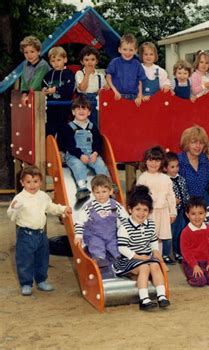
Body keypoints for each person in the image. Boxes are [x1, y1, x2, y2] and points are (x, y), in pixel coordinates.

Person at [7, 166, 71, 296]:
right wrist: (14, 209)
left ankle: (41, 280)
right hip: (25, 234)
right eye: (28, 182)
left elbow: (50, 207)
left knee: (42, 258)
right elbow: (10, 215)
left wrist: (63, 209)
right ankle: (26, 283)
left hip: (41, 234)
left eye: (35, 181)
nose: (32, 185)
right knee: (25, 260)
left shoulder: (43, 196)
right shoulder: (19, 198)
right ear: (22, 183)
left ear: (41, 182)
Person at [112, 186, 170, 311]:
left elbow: (153, 241)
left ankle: (161, 296)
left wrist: (156, 253)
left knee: (154, 266)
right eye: (137, 209)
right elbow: (122, 248)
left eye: (145, 210)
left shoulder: (150, 224)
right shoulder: (125, 227)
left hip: (146, 257)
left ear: (149, 212)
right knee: (144, 267)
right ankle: (144, 299)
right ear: (130, 209)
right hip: (129, 259)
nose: (141, 213)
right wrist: (139, 257)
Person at [57, 95, 110, 201]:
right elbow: (69, 145)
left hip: (91, 154)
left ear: (89, 112)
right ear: (73, 112)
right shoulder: (69, 127)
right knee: (78, 166)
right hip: (74, 155)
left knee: (100, 164)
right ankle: (82, 188)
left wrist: (95, 153)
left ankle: (106, 185)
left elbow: (97, 142)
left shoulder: (92, 126)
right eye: (78, 108)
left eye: (84, 108)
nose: (81, 110)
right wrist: (80, 155)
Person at [74, 174, 128, 277]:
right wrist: (78, 236)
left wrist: (126, 233)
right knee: (96, 245)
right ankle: (100, 262)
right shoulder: (89, 207)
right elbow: (80, 222)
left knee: (116, 246)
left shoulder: (115, 205)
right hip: (96, 235)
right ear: (93, 193)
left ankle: (118, 261)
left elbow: (124, 220)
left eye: (104, 192)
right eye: (97, 192)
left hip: (111, 235)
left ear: (110, 191)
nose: (101, 195)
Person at [136, 146, 177, 265]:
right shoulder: (143, 177)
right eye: (150, 160)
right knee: (150, 235)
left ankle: (161, 257)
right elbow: (139, 196)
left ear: (162, 162)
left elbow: (171, 196)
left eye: (157, 160)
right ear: (145, 161)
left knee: (162, 235)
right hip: (149, 212)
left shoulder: (166, 178)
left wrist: (172, 212)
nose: (153, 163)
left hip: (163, 211)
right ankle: (150, 256)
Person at [180, 197, 209, 287]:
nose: (197, 217)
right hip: (191, 263)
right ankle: (191, 276)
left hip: (206, 262)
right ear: (187, 215)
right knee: (200, 281)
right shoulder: (185, 232)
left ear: (205, 213)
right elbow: (185, 252)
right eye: (193, 214)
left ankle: (205, 274)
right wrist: (194, 266)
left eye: (201, 213)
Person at [41, 46, 75, 136]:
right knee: (49, 129)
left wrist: (56, 89)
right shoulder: (48, 75)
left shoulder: (69, 74)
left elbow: (69, 89)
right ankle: (50, 147)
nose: (56, 63)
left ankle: (61, 148)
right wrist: (44, 90)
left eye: (59, 60)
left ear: (65, 59)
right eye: (53, 61)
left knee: (63, 129)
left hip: (64, 108)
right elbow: (44, 85)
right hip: (51, 107)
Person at [105, 33, 146, 107]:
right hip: (117, 96)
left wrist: (139, 96)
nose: (128, 52)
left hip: (133, 98)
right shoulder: (115, 62)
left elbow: (140, 81)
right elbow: (108, 77)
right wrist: (114, 91)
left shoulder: (137, 64)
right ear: (119, 49)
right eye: (125, 49)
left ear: (135, 51)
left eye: (131, 50)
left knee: (132, 118)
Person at [164, 151, 190, 263]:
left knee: (180, 232)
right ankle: (165, 254)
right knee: (169, 232)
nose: (175, 169)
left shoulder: (181, 179)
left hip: (182, 210)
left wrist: (187, 203)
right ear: (165, 168)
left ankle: (178, 252)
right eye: (172, 167)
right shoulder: (165, 181)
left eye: (177, 166)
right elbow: (163, 196)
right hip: (171, 211)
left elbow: (185, 192)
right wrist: (172, 201)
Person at [75, 46, 108, 127]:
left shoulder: (100, 75)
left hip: (97, 102)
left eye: (92, 59)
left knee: (97, 124)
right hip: (83, 101)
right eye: (86, 60)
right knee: (85, 124)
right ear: (82, 62)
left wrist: (103, 90)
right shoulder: (80, 73)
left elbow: (106, 88)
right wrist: (87, 74)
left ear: (96, 61)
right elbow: (82, 88)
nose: (90, 62)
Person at [178, 125, 209, 199]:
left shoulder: (206, 161)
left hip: (203, 206)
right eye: (194, 142)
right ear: (187, 143)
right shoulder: (178, 161)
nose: (198, 146)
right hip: (183, 207)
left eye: (201, 143)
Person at [19, 35, 50, 106]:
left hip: (44, 96)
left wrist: (28, 96)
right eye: (26, 52)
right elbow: (23, 81)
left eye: (32, 52)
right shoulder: (25, 64)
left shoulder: (43, 65)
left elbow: (37, 83)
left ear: (38, 52)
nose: (29, 55)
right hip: (33, 95)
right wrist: (24, 94)